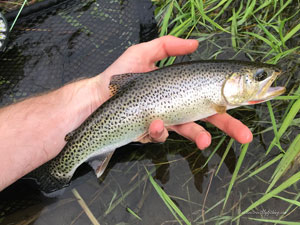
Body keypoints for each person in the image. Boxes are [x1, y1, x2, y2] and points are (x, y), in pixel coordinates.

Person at [0, 36, 252, 191]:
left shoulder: (220, 95)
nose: (263, 80)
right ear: (231, 81)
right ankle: (59, 171)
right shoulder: (217, 96)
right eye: (258, 78)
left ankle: (61, 171)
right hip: (109, 118)